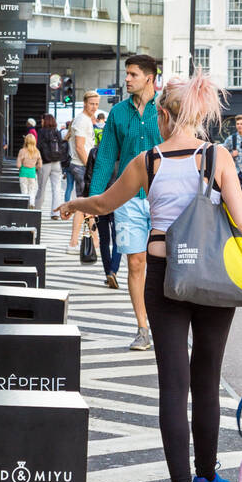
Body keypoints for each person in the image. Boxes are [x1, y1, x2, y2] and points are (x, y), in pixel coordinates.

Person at [59, 69, 242, 482]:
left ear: (164, 115)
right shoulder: (217, 156)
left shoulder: (149, 161)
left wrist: (73, 206)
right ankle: (207, 480)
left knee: (173, 384)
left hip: (164, 274)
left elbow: (105, 203)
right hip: (212, 275)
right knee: (206, 379)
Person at [83, 55, 161, 350]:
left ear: (149, 78)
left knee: (162, 263)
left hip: (161, 198)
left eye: (132, 74)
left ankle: (163, 323)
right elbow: (105, 159)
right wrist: (93, 203)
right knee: (135, 261)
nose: (126, 79)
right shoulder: (117, 113)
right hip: (128, 199)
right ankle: (142, 327)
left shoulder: (165, 111)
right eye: (126, 74)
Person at [66, 92, 100, 250]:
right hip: (81, 166)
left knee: (87, 204)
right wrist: (89, 167)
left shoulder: (84, 120)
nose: (94, 107)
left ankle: (94, 241)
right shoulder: (82, 120)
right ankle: (74, 242)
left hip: (80, 166)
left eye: (97, 104)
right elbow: (80, 147)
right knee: (83, 204)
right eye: (92, 103)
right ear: (85, 103)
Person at [36, 114, 68, 219]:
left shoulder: (41, 132)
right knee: (56, 189)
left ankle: (36, 211)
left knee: (42, 188)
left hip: (45, 163)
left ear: (45, 121)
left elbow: (39, 146)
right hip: (56, 162)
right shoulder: (57, 132)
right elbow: (62, 145)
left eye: (42, 120)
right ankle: (55, 213)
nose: (41, 122)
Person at [16, 132, 42, 207]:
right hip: (32, 173)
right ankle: (31, 204)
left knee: (24, 190)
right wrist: (34, 167)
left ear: (26, 141)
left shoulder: (22, 151)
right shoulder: (37, 151)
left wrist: (21, 167)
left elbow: (18, 165)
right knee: (32, 190)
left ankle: (24, 205)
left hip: (23, 173)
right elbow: (40, 165)